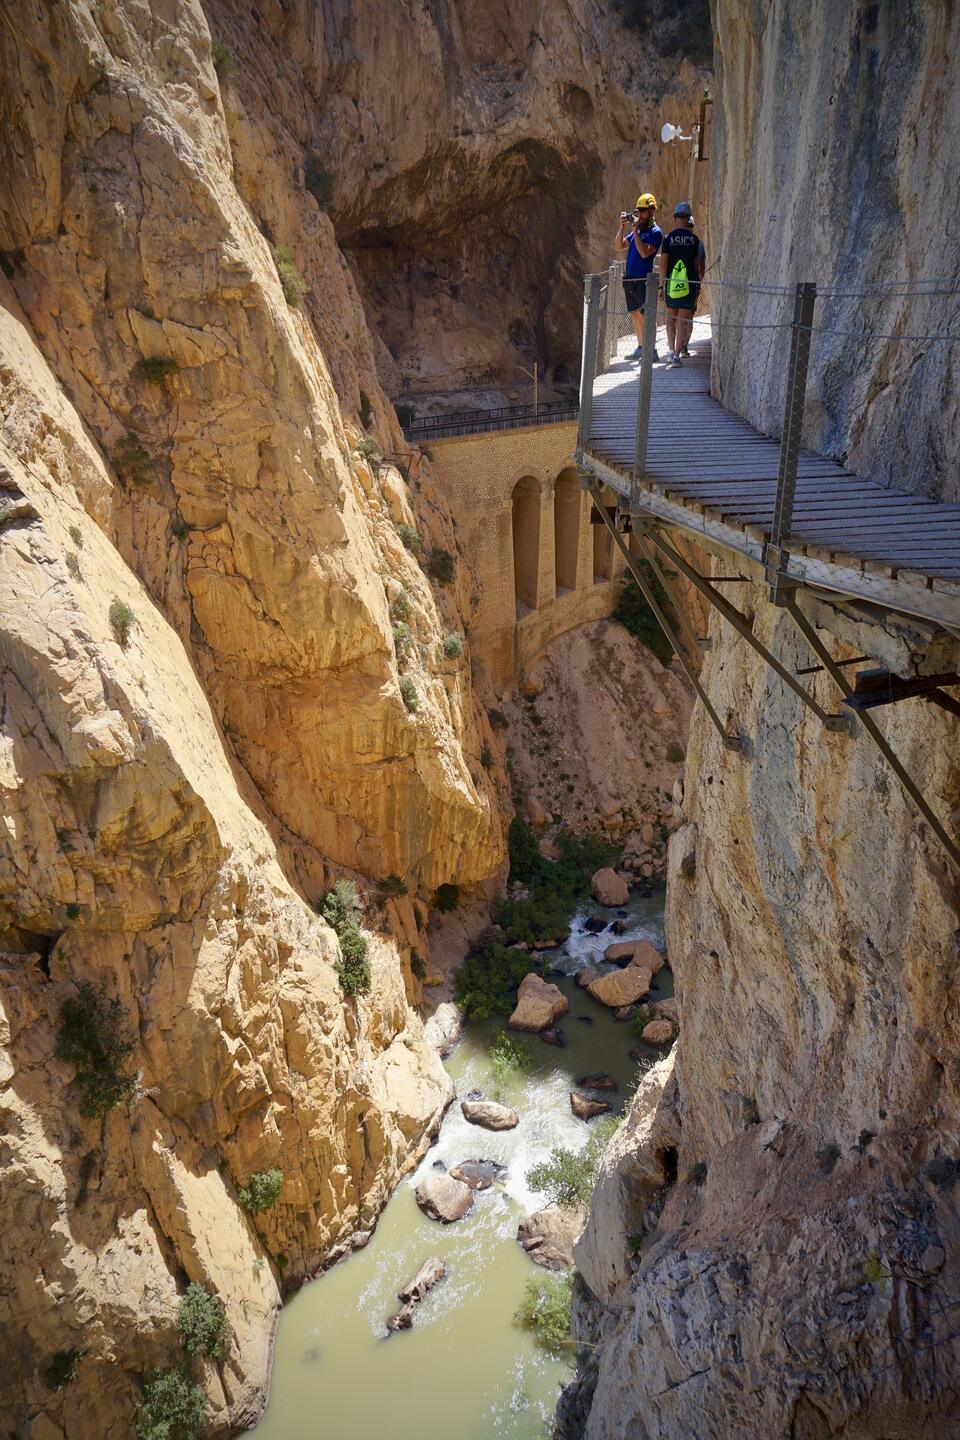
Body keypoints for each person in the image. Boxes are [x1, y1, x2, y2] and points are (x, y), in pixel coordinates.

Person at [614, 193, 662, 361]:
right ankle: (641, 346)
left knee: (647, 315)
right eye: (638, 211)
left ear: (651, 212)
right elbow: (619, 246)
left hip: (643, 280)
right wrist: (622, 228)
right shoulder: (638, 230)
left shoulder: (655, 232)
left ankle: (652, 349)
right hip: (630, 279)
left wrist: (635, 231)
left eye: (642, 211)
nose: (639, 215)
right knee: (635, 313)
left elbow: (644, 253)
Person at [657, 201, 705, 366]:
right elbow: (696, 264)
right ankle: (677, 354)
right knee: (683, 320)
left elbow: (663, 265)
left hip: (671, 283)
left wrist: (661, 286)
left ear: (675, 217)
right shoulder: (694, 240)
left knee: (671, 318)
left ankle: (670, 351)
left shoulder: (668, 239)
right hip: (688, 283)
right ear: (688, 218)